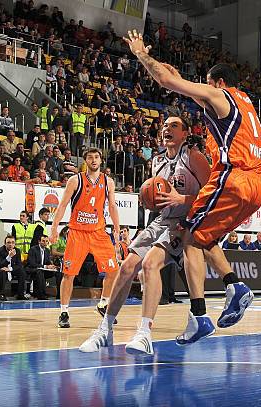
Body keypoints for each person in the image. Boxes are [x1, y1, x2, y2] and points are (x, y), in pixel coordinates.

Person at [125, 31, 261, 345]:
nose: (202, 88)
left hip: (233, 178)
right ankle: (233, 286)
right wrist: (159, 62)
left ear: (216, 83)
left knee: (189, 238)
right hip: (257, 185)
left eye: (205, 82)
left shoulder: (220, 96)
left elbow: (167, 82)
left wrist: (140, 54)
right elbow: (181, 83)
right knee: (205, 236)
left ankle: (200, 316)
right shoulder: (245, 103)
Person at [79, 116, 210, 354]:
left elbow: (213, 197)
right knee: (127, 266)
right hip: (162, 220)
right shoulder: (157, 161)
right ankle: (105, 329)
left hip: (186, 222)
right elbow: (159, 198)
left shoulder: (194, 158)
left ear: (186, 133)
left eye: (173, 126)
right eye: (164, 126)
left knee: (149, 265)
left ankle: (144, 333)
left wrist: (182, 199)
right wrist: (149, 201)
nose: (166, 129)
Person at [49, 148, 119, 328]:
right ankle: (64, 311)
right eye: (90, 157)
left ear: (101, 161)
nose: (94, 160)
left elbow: (112, 206)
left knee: (113, 271)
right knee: (69, 274)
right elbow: (63, 204)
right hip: (77, 233)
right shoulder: (75, 180)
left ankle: (103, 304)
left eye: (97, 157)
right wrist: (54, 228)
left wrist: (117, 230)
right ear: (85, 161)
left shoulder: (108, 182)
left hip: (99, 232)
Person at [27, 235, 58, 300]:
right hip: (32, 269)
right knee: (40, 272)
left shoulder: (47, 250)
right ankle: (41, 295)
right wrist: (45, 266)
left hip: (42, 270)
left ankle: (59, 295)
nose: (45, 243)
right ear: (39, 241)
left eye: (47, 241)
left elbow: (47, 262)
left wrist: (52, 266)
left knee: (58, 272)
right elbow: (31, 263)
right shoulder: (33, 249)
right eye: (43, 241)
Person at [0, 235, 26, 301]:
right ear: (5, 244)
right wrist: (9, 257)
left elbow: (19, 265)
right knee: (2, 272)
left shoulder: (17, 251)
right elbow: (0, 265)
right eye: (8, 242)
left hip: (11, 269)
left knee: (22, 271)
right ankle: (1, 295)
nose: (11, 244)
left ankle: (20, 294)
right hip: (3, 270)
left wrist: (10, 269)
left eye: (13, 242)